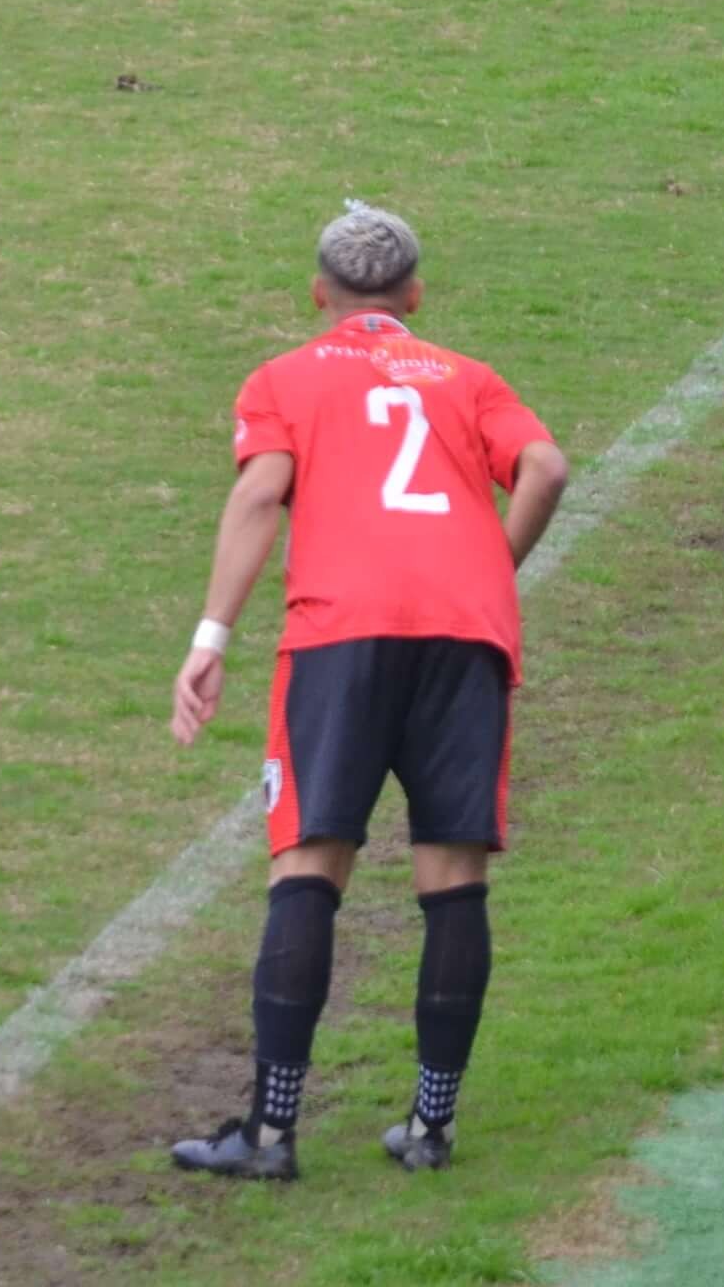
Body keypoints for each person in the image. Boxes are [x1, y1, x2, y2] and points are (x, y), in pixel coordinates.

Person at [165, 204, 571, 1181]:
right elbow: (547, 467)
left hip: (340, 638)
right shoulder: (465, 376)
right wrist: (490, 570)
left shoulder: (285, 379)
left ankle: (270, 1135)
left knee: (309, 868)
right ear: (416, 298)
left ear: (319, 295)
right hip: (463, 641)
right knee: (453, 881)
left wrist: (210, 638)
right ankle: (430, 1130)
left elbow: (261, 493)